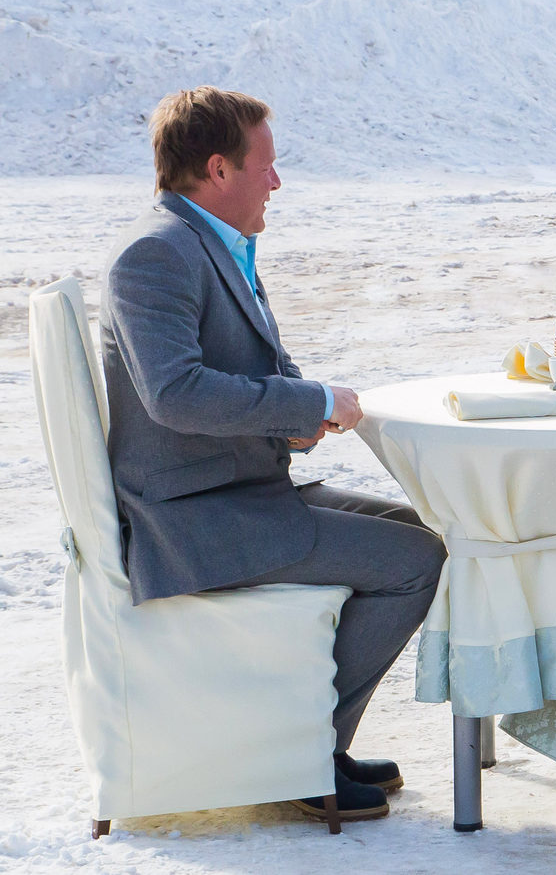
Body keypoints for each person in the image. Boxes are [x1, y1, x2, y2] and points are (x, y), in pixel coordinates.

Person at [102, 87, 447, 823]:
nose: (277, 182)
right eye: (268, 165)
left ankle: (305, 747)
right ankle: (302, 756)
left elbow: (251, 371)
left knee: (425, 536)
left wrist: (295, 412)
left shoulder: (205, 243)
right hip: (195, 519)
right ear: (219, 170)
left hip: (239, 490)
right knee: (417, 563)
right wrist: (308, 403)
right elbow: (175, 394)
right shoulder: (153, 254)